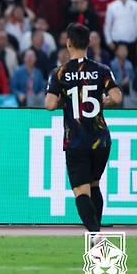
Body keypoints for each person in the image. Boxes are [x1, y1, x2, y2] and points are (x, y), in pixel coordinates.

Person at [45, 23, 122, 237]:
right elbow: (117, 97)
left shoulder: (60, 73)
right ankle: (96, 234)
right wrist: (102, 102)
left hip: (76, 141)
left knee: (81, 190)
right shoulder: (102, 70)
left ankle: (96, 236)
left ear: (68, 43)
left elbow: (50, 104)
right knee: (94, 185)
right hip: (101, 140)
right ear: (89, 43)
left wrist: (67, 101)